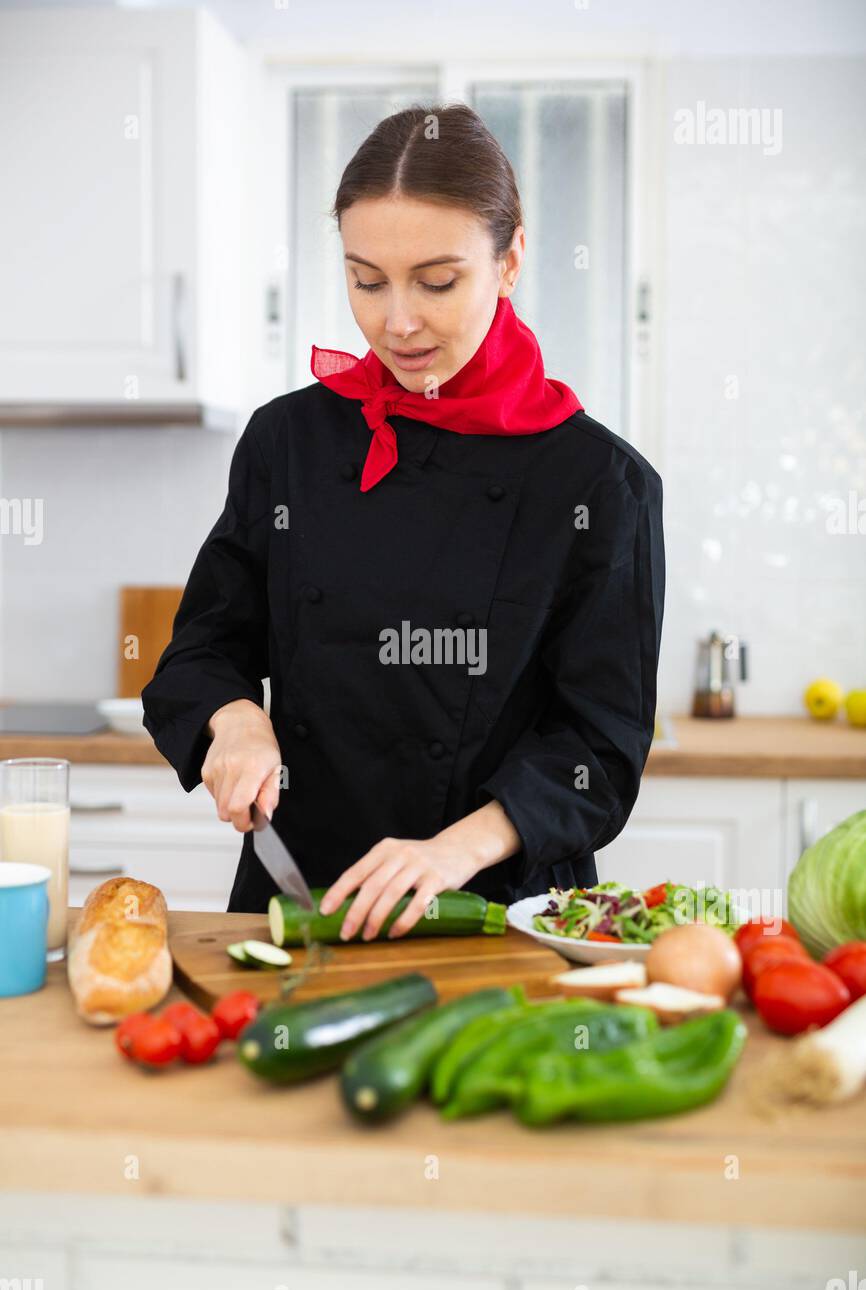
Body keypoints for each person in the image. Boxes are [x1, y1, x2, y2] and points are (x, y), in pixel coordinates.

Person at [141, 102, 664, 944]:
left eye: (438, 280)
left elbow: (597, 750)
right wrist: (234, 719)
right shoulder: (288, 441)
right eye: (366, 279)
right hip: (299, 892)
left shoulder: (601, 482)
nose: (397, 321)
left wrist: (450, 853)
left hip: (497, 911)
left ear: (511, 259)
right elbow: (205, 647)